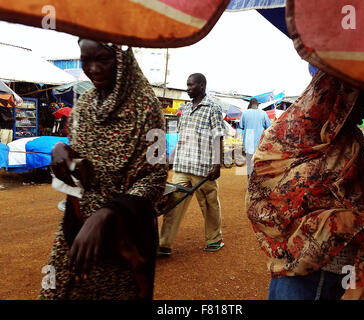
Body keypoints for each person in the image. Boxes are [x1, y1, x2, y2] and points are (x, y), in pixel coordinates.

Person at [38, 39, 168, 300]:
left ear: (121, 59)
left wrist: (107, 214)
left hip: (124, 241)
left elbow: (156, 178)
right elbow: (78, 164)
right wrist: (61, 152)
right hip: (76, 229)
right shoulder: (83, 107)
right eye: (86, 60)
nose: (94, 69)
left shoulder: (147, 109)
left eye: (103, 59)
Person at [246, 70, 364, 300]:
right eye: (360, 100)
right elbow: (262, 192)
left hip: (338, 264)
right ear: (336, 98)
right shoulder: (284, 136)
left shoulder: (351, 140)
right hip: (306, 269)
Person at [158, 73, 225, 257]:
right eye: (187, 85)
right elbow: (181, 137)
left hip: (203, 168)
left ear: (202, 85)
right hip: (182, 165)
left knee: (209, 204)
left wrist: (217, 165)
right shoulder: (185, 109)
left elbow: (218, 136)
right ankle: (164, 244)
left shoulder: (213, 108)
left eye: (191, 85)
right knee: (173, 205)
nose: (187, 88)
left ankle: (214, 240)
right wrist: (171, 159)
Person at [239, 98, 271, 177]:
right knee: (258, 164)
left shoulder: (245, 113)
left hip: (248, 142)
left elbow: (241, 126)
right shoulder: (263, 113)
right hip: (259, 143)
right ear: (257, 105)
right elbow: (269, 127)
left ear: (250, 104)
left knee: (249, 164)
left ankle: (249, 181)